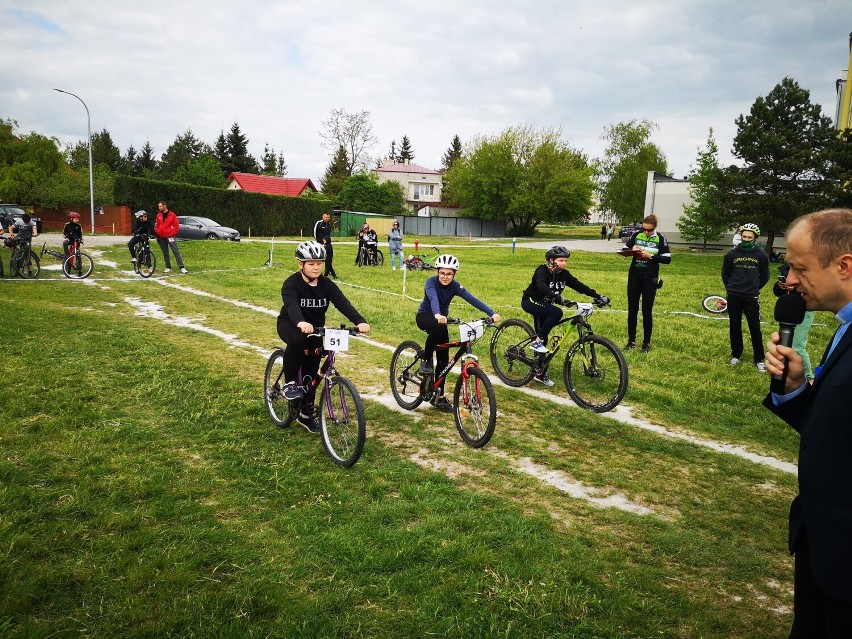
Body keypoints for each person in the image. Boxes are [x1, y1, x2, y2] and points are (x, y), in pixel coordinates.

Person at [763, 208, 852, 638]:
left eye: (799, 268)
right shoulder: (843, 328)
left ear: (844, 266)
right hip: (823, 542)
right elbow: (836, 429)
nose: (790, 281)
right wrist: (795, 387)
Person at [277, 241, 370, 433]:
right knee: (297, 340)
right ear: (300, 264)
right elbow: (292, 305)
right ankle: (290, 383)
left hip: (316, 329)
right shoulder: (291, 283)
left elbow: (342, 303)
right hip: (291, 323)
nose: (316, 266)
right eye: (311, 263)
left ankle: (305, 413)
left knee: (313, 367)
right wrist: (300, 322)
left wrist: (360, 321)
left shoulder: (326, 284)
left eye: (319, 262)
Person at [416, 254, 501, 412]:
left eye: (449, 274)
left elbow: (472, 299)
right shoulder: (431, 282)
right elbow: (433, 298)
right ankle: (426, 361)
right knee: (438, 328)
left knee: (444, 360)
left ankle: (439, 397)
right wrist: (437, 314)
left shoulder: (455, 286)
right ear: (437, 272)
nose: (445, 277)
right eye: (442, 273)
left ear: (454, 274)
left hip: (443, 321)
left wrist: (492, 313)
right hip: (426, 316)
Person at [521, 246, 609, 386]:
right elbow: (541, 286)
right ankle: (537, 342)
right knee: (556, 313)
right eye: (561, 260)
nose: (564, 263)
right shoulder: (541, 271)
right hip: (532, 301)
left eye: (566, 260)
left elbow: (579, 286)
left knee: (547, 330)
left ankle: (540, 371)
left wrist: (598, 296)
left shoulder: (564, 274)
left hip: (546, 304)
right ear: (551, 260)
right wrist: (557, 297)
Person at [722, 222, 769, 371]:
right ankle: (736, 354)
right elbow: (725, 274)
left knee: (754, 327)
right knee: (734, 326)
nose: (747, 239)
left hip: (751, 296)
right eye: (744, 236)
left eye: (750, 237)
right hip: (734, 295)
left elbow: (765, 276)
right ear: (740, 236)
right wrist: (731, 287)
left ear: (755, 238)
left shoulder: (761, 255)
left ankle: (759, 358)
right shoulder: (732, 254)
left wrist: (754, 288)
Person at [624, 214, 671, 353]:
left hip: (650, 278)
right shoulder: (636, 234)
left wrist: (651, 256)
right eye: (643, 229)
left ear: (654, 228)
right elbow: (626, 249)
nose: (645, 232)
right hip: (634, 276)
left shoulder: (660, 238)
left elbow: (667, 259)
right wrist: (633, 250)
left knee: (646, 311)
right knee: (632, 309)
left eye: (649, 230)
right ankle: (631, 341)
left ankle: (646, 343)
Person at [773, 263, 815, 382]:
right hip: (789, 312)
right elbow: (777, 292)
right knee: (786, 344)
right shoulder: (787, 268)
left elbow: (811, 291)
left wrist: (795, 288)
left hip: (803, 312)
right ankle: (787, 370)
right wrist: (780, 286)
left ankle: (808, 375)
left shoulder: (809, 270)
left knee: (797, 346)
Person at [154, 200, 187, 274]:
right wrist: (157, 233)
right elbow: (157, 225)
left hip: (170, 236)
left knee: (176, 251)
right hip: (161, 237)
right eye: (158, 206)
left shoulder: (172, 215)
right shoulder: (158, 215)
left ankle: (181, 267)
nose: (159, 208)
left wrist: (172, 234)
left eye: (160, 206)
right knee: (165, 252)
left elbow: (176, 226)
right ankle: (168, 267)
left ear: (164, 206)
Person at [313, 212, 336, 279]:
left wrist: (327, 243)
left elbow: (328, 234)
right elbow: (315, 233)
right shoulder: (319, 223)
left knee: (328, 258)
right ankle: (328, 272)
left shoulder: (329, 224)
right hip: (320, 243)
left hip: (327, 244)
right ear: (323, 217)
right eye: (326, 217)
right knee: (320, 258)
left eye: (328, 217)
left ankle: (328, 272)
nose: (327, 218)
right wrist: (318, 242)